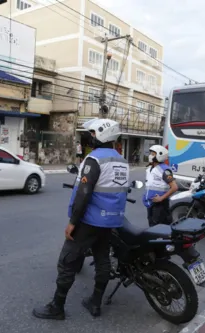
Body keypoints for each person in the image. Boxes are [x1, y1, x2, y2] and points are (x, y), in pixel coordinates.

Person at [32, 118, 129, 320]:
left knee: (67, 261)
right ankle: (95, 303)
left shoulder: (94, 160)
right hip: (111, 222)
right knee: (102, 260)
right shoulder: (122, 161)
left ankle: (57, 307)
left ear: (101, 134)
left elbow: (83, 194)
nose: (90, 137)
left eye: (93, 133)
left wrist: (72, 223)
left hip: (89, 221)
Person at [142, 145, 178, 227]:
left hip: (160, 205)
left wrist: (161, 198)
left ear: (160, 155)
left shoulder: (165, 170)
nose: (150, 156)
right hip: (151, 203)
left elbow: (174, 187)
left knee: (159, 229)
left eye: (153, 154)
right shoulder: (150, 169)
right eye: (150, 153)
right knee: (152, 227)